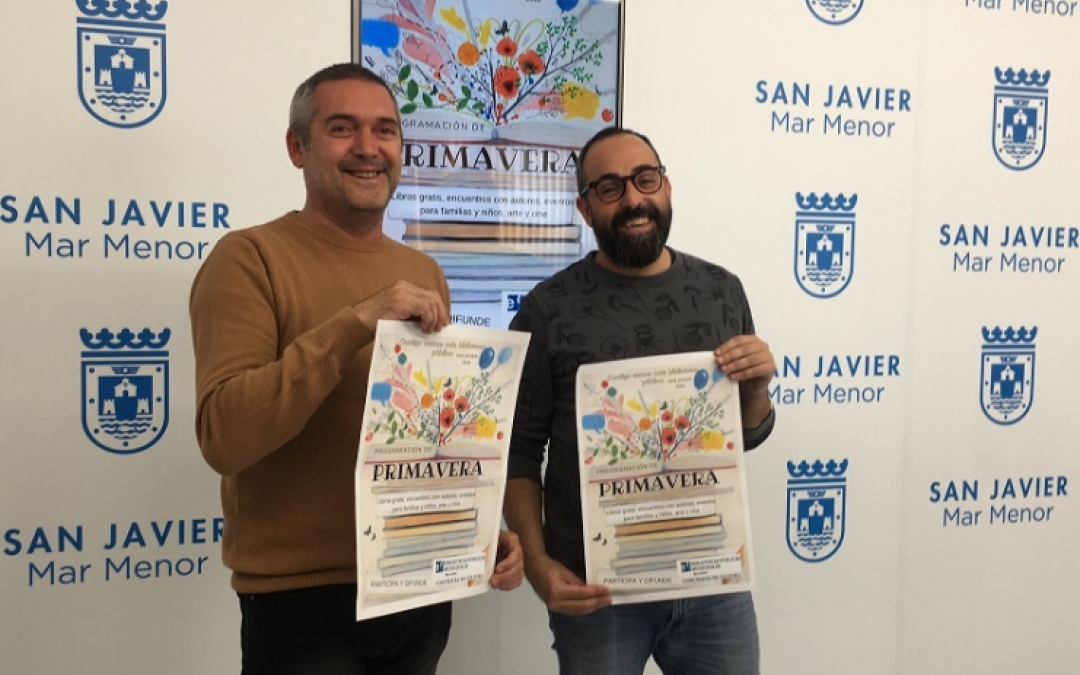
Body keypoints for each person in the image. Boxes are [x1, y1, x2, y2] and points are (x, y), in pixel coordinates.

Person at [189, 63, 523, 675]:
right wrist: (355, 322)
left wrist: (471, 525)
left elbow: (433, 430)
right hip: (301, 601)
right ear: (298, 147)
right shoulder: (249, 259)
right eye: (342, 128)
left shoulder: (423, 272)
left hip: (417, 585)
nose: (368, 148)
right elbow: (226, 436)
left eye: (385, 130)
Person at [503, 127, 776, 675]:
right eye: (609, 188)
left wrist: (756, 387)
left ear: (666, 187)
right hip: (595, 587)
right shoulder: (547, 309)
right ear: (585, 209)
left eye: (645, 179)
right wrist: (537, 563)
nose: (632, 199)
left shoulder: (722, 290)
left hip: (713, 581)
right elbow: (519, 451)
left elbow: (747, 434)